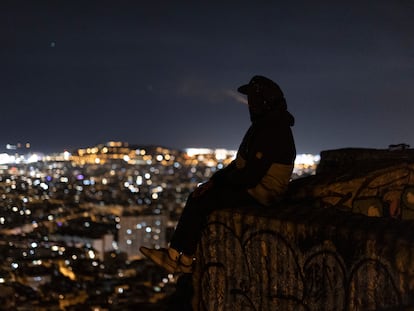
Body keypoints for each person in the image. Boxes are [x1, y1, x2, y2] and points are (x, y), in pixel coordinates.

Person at [140, 75, 296, 273]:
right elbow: (241, 166)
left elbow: (250, 176)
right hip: (258, 188)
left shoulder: (272, 129)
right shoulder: (266, 125)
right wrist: (215, 181)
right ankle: (180, 257)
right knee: (201, 194)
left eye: (251, 99)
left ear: (260, 101)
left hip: (262, 194)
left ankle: (178, 258)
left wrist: (219, 184)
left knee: (202, 199)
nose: (248, 104)